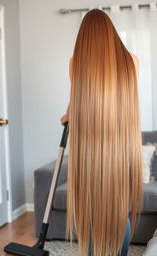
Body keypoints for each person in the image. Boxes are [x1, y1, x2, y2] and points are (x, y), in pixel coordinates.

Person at [61, 9, 142, 256]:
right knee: (119, 209)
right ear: (111, 32)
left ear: (83, 36)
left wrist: (67, 117)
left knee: (91, 211)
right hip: (121, 146)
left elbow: (75, 103)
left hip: (88, 149)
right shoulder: (131, 60)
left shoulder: (75, 62)